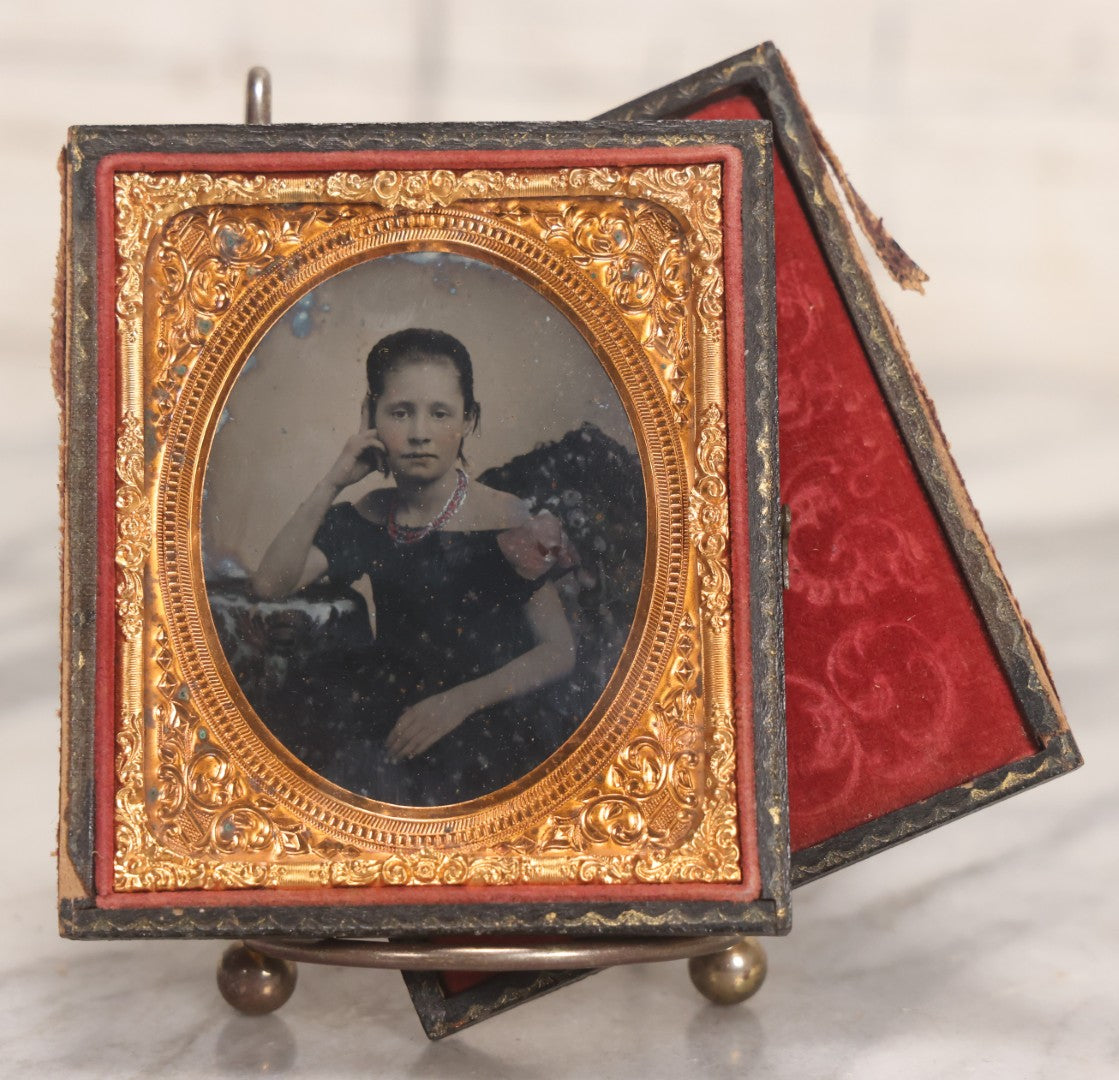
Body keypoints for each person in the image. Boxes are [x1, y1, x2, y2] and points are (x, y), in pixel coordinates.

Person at [251, 328, 578, 805]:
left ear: (468, 420)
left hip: (489, 726)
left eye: (440, 413)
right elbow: (269, 585)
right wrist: (333, 481)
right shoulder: (367, 515)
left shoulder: (510, 518)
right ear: (371, 416)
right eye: (400, 412)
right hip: (399, 726)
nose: (420, 432)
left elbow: (559, 650)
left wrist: (459, 702)